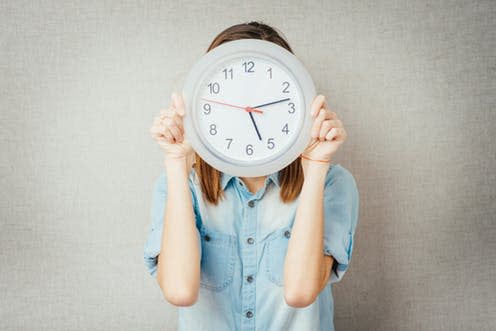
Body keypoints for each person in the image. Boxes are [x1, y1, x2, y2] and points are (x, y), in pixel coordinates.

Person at [144, 21, 359, 331]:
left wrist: (315, 166)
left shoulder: (332, 184)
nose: (248, 108)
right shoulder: (178, 186)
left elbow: (301, 292)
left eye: (265, 97)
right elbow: (179, 291)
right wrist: (177, 161)